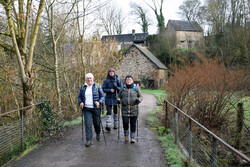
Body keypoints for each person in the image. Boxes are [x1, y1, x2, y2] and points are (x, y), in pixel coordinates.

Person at [78, 73, 104, 147]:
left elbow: (102, 96)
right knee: (88, 124)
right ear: (86, 79)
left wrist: (99, 102)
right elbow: (79, 97)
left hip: (96, 108)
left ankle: (98, 133)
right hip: (86, 109)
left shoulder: (97, 86)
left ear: (93, 78)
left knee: (97, 123)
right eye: (88, 78)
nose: (89, 79)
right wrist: (81, 102)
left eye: (90, 78)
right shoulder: (83, 87)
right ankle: (89, 140)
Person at [117, 75, 143, 143]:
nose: (128, 80)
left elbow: (141, 96)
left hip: (134, 109)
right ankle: (126, 135)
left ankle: (132, 137)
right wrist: (118, 100)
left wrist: (139, 100)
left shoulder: (135, 88)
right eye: (127, 79)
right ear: (125, 80)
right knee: (125, 123)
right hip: (124, 108)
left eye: (130, 79)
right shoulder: (123, 88)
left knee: (133, 123)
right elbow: (118, 96)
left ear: (132, 80)